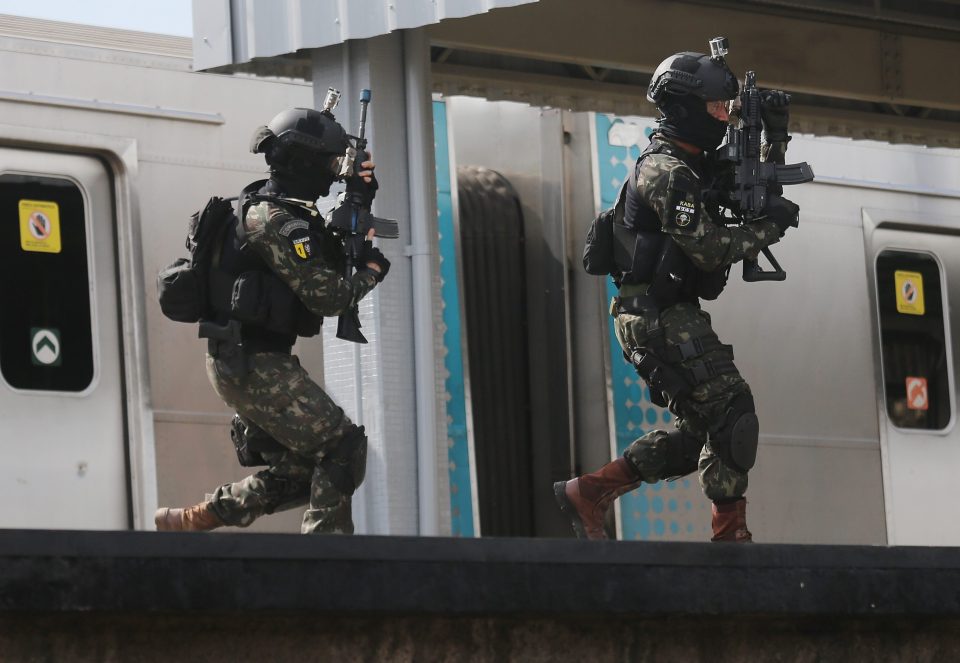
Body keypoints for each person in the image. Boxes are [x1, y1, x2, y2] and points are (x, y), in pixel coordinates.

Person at [554, 49, 799, 542]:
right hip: (652, 314)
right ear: (685, 106)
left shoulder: (698, 164)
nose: (724, 117)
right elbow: (710, 250)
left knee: (701, 431)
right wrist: (770, 229)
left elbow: (758, 188)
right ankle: (731, 537)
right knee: (732, 406)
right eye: (715, 107)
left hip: (668, 310)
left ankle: (591, 490)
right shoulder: (666, 171)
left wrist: (775, 136)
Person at [155, 106, 390, 534]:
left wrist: (359, 200)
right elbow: (328, 296)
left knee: (301, 472)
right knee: (342, 448)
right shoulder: (275, 221)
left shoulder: (277, 208)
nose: (334, 173)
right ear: (303, 162)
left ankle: (202, 516)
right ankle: (324, 563)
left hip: (247, 359)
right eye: (330, 164)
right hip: (253, 362)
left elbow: (322, 263)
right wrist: (370, 273)